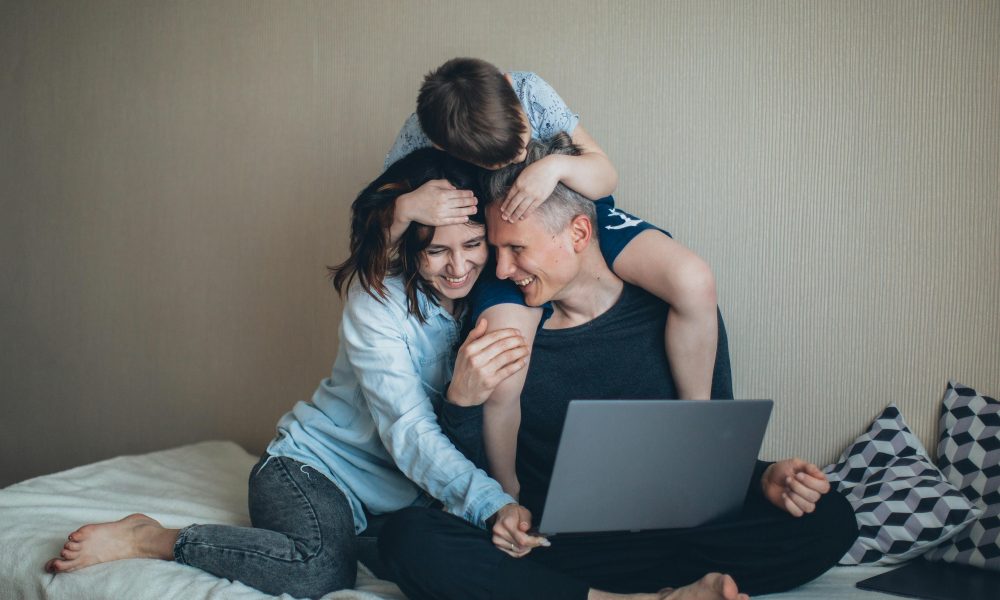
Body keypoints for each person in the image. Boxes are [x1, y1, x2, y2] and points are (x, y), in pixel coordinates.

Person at [376, 135, 860, 600]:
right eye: (496, 250)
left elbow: (699, 449)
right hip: (560, 544)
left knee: (831, 517)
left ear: (579, 233)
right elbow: (473, 480)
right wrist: (461, 401)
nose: (500, 271)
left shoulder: (675, 315)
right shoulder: (501, 330)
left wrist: (762, 479)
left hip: (675, 533)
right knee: (408, 539)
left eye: (517, 249)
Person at [42, 149, 530, 598]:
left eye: (471, 244)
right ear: (410, 249)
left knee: (441, 560)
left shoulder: (490, 299)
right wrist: (490, 502)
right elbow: (408, 431)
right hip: (311, 471)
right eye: (437, 252)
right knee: (320, 569)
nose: (458, 266)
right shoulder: (377, 303)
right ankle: (152, 537)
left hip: (396, 504)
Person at [387, 56, 722, 501]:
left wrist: (555, 168)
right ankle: (506, 490)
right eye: (496, 160)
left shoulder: (531, 89)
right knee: (506, 367)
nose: (517, 159)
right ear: (446, 148)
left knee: (693, 279)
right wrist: (406, 207)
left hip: (575, 211)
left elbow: (604, 173)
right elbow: (377, 228)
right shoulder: (418, 138)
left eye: (521, 144)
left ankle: (697, 420)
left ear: (511, 92)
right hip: (502, 234)